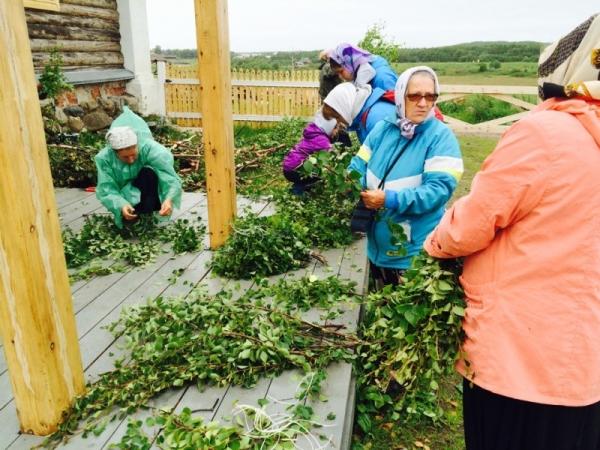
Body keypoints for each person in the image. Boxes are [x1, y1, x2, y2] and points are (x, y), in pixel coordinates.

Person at [424, 14, 600, 450]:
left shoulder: (545, 134)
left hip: (521, 360)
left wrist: (434, 241)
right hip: (586, 367)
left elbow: (469, 227)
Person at [348, 66, 462, 288]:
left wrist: (388, 199)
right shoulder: (383, 128)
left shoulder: (441, 138)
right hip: (377, 249)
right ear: (401, 95)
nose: (423, 103)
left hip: (411, 255)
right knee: (379, 308)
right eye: (414, 96)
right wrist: (356, 185)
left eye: (430, 96)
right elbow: (357, 165)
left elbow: (436, 192)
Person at [95, 106, 182, 228]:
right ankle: (129, 210)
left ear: (137, 145)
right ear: (115, 152)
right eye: (125, 157)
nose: (131, 160)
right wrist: (121, 204)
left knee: (148, 173)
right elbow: (107, 188)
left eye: (133, 155)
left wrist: (168, 199)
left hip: (148, 188)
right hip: (123, 192)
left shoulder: (152, 150)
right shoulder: (105, 158)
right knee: (125, 211)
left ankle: (148, 210)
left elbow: (169, 178)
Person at [283, 83, 371, 194]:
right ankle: (299, 190)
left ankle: (300, 185)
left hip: (289, 167)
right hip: (295, 169)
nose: (335, 132)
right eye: (335, 128)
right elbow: (331, 158)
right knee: (322, 172)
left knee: (312, 170)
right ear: (328, 127)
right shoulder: (322, 140)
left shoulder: (313, 132)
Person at [326, 42, 397, 91]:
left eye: (341, 72)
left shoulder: (383, 79)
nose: (340, 76)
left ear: (349, 63)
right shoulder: (360, 73)